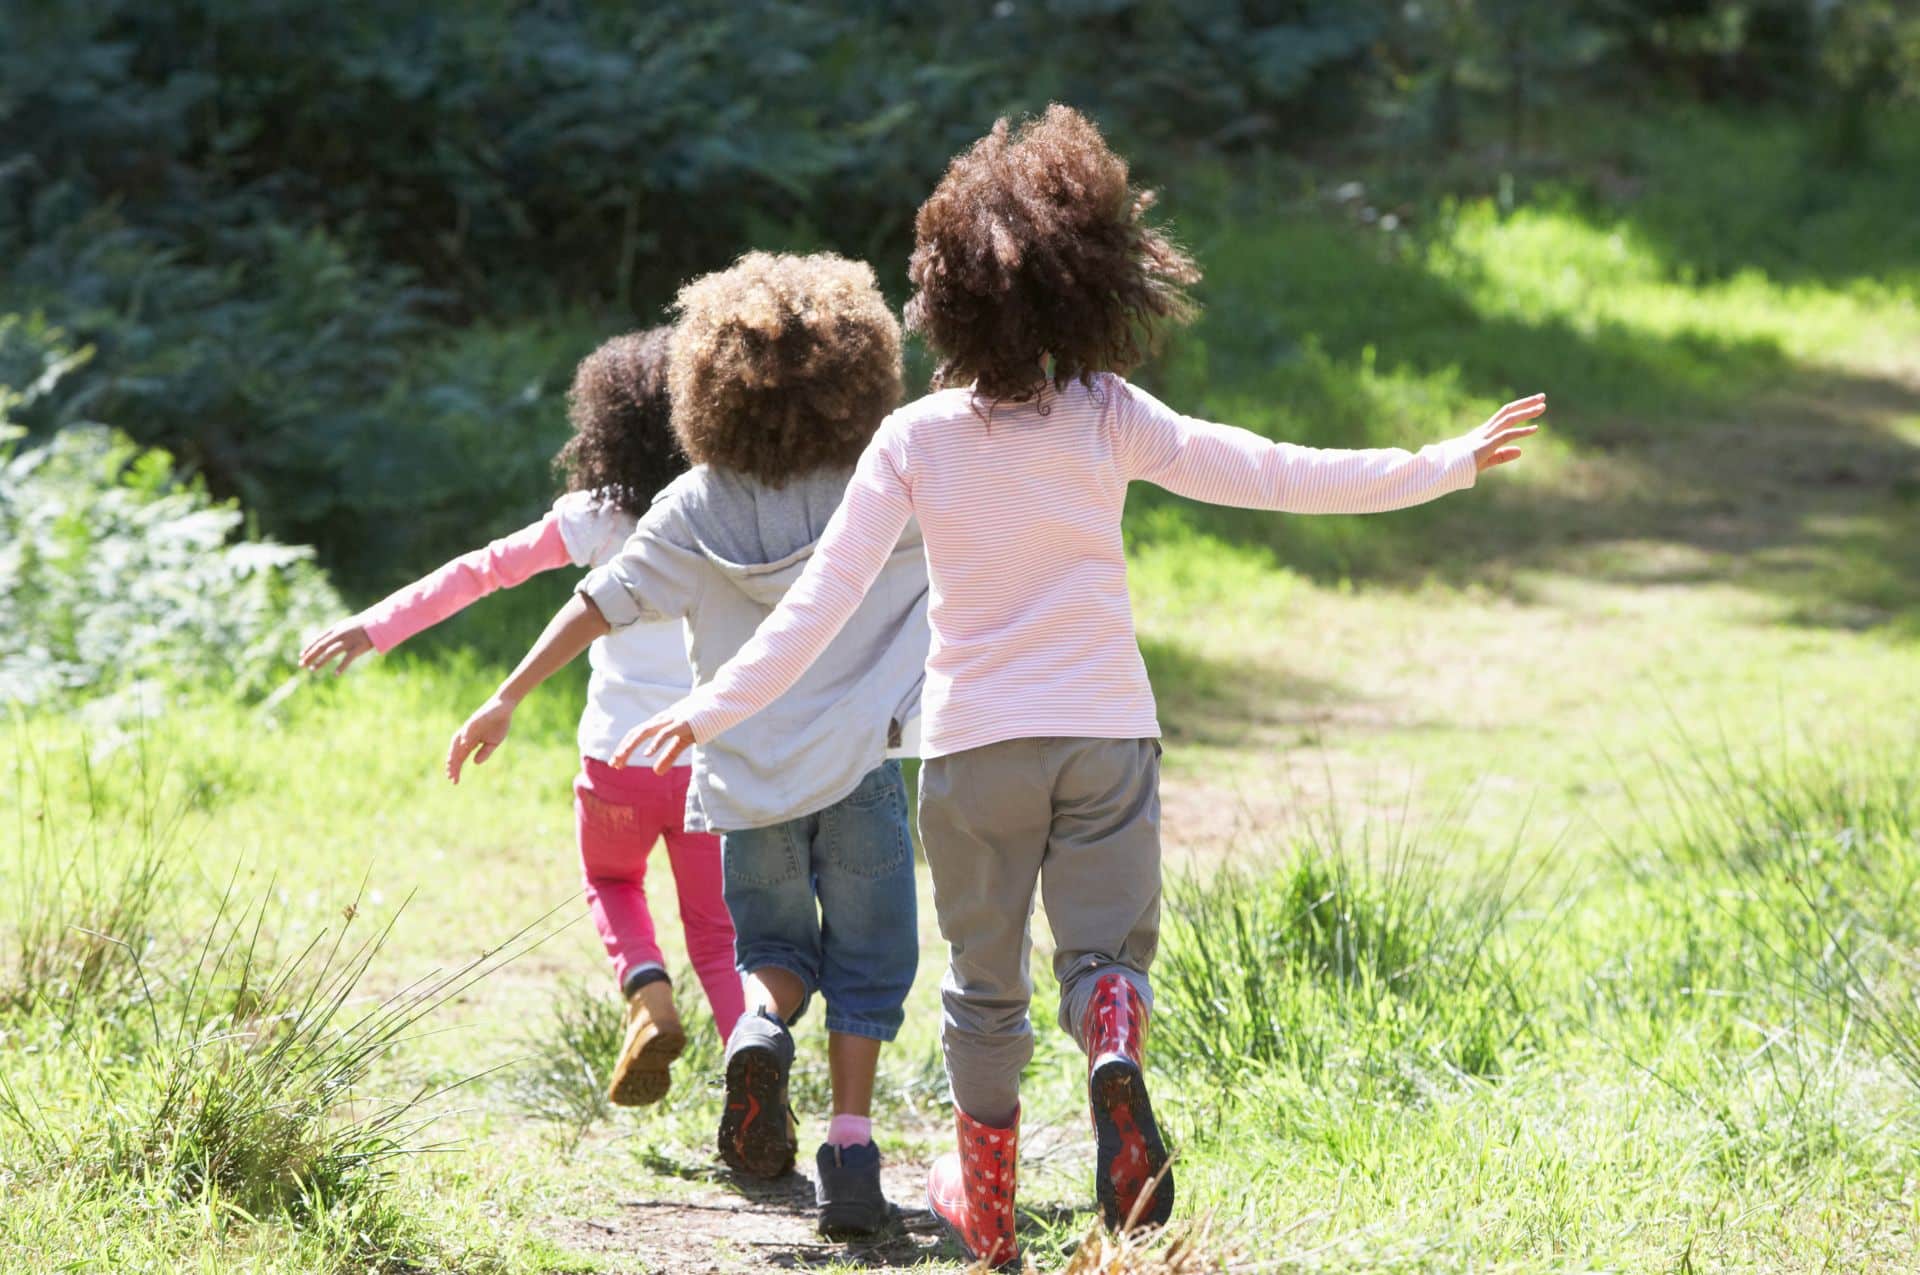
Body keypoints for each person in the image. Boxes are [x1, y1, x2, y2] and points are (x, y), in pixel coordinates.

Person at [613, 107, 1545, 1267]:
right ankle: (1111, 1032)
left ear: (942, 291)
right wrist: (1442, 464)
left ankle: (989, 1207)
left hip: (973, 751)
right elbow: (1273, 471)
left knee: (982, 991)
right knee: (1104, 954)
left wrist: (714, 706)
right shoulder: (1109, 418)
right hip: (1106, 733)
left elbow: (819, 606)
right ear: (1091, 282)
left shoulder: (912, 439)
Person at [443, 253, 928, 1239]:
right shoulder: (879, 489)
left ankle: (756, 1030)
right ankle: (849, 1156)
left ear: (706, 383)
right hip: (860, 774)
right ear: (859, 370)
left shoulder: (695, 504)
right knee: (870, 968)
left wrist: (504, 697)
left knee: (777, 952)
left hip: (743, 783)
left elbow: (593, 605)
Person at [300, 328, 743, 1108]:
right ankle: (754, 1077)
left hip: (617, 761)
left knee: (611, 877)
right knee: (717, 932)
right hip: (708, 760)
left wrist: (377, 624)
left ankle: (646, 993)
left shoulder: (599, 517)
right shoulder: (728, 509)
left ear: (608, 425)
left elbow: (482, 571)